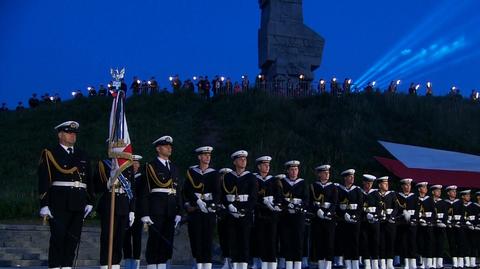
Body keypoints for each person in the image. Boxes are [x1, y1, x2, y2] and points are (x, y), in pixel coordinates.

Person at [38, 121, 94, 269]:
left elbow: (89, 179)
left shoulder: (82, 154)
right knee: (58, 238)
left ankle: (67, 266)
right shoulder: (50, 153)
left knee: (73, 238)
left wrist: (90, 200)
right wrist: (44, 204)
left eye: (74, 133)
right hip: (59, 201)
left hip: (78, 201)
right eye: (69, 133)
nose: (73, 136)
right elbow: (44, 179)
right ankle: (56, 266)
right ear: (60, 135)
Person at [139, 136, 182, 269]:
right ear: (158, 148)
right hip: (156, 209)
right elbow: (144, 192)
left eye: (170, 146)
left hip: (171, 209)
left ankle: (162, 266)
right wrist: (145, 213)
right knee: (154, 241)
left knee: (166, 242)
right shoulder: (150, 166)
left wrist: (179, 211)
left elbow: (177, 191)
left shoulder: (174, 167)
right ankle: (152, 266)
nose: (170, 148)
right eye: (166, 146)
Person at [94, 153, 136, 269]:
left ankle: (116, 265)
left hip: (123, 205)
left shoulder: (128, 165)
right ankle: (105, 265)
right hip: (109, 204)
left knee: (119, 239)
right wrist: (108, 183)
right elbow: (96, 186)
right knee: (107, 238)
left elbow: (132, 189)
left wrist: (132, 210)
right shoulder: (103, 164)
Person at [183, 146, 219, 269]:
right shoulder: (192, 172)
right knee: (196, 240)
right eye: (205, 155)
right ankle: (198, 265)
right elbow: (186, 191)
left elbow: (217, 192)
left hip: (209, 210)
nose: (208, 157)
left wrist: (212, 204)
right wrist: (196, 202)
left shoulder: (214, 173)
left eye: (209, 155)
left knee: (207, 241)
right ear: (199, 157)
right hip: (195, 210)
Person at [222, 150, 258, 269]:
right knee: (233, 242)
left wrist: (245, 210)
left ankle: (243, 266)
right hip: (231, 214)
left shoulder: (251, 177)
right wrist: (229, 206)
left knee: (244, 242)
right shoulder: (227, 177)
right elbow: (223, 195)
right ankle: (234, 265)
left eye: (245, 159)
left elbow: (253, 198)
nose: (243, 160)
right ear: (234, 162)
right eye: (240, 159)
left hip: (245, 215)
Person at [251, 156, 281, 269]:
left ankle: (272, 264)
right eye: (264, 165)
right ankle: (262, 264)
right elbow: (253, 196)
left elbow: (279, 196)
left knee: (272, 240)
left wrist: (275, 204)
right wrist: (262, 204)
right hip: (259, 214)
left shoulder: (274, 180)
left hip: (272, 215)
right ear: (259, 166)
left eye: (268, 165)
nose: (267, 167)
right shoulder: (254, 179)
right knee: (260, 240)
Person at [278, 160, 307, 269]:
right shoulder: (282, 182)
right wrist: (286, 205)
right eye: (292, 169)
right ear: (287, 171)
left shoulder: (303, 182)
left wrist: (300, 206)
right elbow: (280, 197)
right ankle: (289, 265)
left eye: (296, 169)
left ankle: (297, 265)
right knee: (286, 240)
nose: (294, 172)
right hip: (286, 215)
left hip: (298, 215)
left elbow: (306, 198)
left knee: (298, 240)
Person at [309, 165, 337, 269]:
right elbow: (311, 201)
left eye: (328, 172)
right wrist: (317, 210)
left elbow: (335, 202)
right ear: (319, 174)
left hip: (329, 218)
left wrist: (329, 212)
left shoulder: (333, 186)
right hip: (318, 217)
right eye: (324, 172)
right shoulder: (313, 186)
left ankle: (328, 265)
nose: (327, 174)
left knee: (329, 241)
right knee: (319, 241)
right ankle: (320, 265)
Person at [336, 169, 363, 269]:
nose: (352, 178)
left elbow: (360, 206)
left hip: (355, 219)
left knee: (355, 241)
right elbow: (337, 204)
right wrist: (343, 215)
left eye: (353, 176)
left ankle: (355, 264)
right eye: (350, 176)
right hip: (344, 219)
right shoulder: (339, 189)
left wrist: (355, 215)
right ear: (345, 178)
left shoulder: (357, 190)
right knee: (345, 241)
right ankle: (347, 264)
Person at [123, 155, 144, 269]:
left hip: (138, 212)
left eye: (137, 163)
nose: (136, 165)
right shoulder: (125, 177)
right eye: (133, 163)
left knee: (137, 238)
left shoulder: (142, 178)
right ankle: (127, 262)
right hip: (126, 210)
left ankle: (136, 263)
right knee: (125, 237)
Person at [359, 174, 381, 269]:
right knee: (364, 242)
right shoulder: (360, 192)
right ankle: (367, 263)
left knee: (375, 242)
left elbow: (380, 207)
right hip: (364, 221)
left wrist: (375, 215)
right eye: (368, 182)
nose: (369, 185)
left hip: (374, 221)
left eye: (371, 183)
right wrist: (365, 215)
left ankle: (375, 264)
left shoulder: (375, 193)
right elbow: (359, 207)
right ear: (364, 182)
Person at [395, 178, 417, 269]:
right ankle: (405, 262)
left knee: (412, 243)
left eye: (409, 185)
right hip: (402, 224)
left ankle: (413, 263)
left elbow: (418, 210)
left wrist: (414, 219)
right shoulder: (398, 196)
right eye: (406, 185)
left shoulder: (414, 197)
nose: (408, 187)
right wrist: (402, 215)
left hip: (412, 223)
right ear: (402, 186)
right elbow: (396, 209)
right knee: (403, 243)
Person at [377, 176, 398, 269]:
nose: (387, 185)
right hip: (380, 222)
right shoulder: (376, 194)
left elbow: (396, 207)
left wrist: (392, 216)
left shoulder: (392, 194)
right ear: (380, 185)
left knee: (390, 241)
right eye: (385, 184)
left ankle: (389, 262)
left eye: (387, 183)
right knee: (381, 242)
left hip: (390, 222)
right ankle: (382, 262)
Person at [415, 182, 434, 269]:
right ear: (419, 189)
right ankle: (421, 262)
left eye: (426, 187)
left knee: (429, 242)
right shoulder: (415, 199)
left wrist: (428, 220)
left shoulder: (430, 199)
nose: (426, 188)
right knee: (420, 243)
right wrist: (419, 219)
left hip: (428, 224)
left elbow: (433, 212)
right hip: (418, 225)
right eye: (424, 187)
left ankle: (429, 263)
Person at [445, 185, 464, 269]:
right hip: (450, 226)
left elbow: (463, 213)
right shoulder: (445, 202)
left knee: (460, 243)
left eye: (455, 191)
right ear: (448, 193)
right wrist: (447, 221)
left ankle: (460, 262)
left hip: (459, 225)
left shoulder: (459, 202)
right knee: (452, 243)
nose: (454, 193)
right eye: (452, 191)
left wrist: (460, 221)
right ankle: (455, 263)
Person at [217, 168, 233, 269]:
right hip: (222, 215)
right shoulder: (218, 186)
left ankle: (232, 260)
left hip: (231, 214)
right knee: (223, 238)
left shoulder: (232, 185)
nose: (224, 177)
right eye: (222, 175)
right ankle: (226, 260)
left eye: (226, 175)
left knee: (232, 239)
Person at [431, 185, 447, 269]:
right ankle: (433, 263)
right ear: (433, 192)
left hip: (441, 227)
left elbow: (445, 215)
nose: (439, 192)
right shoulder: (430, 201)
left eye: (440, 191)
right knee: (432, 244)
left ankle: (439, 263)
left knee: (440, 244)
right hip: (432, 226)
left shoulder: (443, 202)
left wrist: (443, 222)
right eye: (437, 191)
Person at [460, 190, 476, 269]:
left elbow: (475, 216)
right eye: (466, 195)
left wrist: (473, 223)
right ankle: (466, 262)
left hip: (472, 227)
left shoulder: (473, 206)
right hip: (463, 227)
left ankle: (473, 262)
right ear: (462, 196)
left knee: (473, 244)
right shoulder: (459, 205)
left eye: (469, 195)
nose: (468, 197)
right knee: (464, 244)